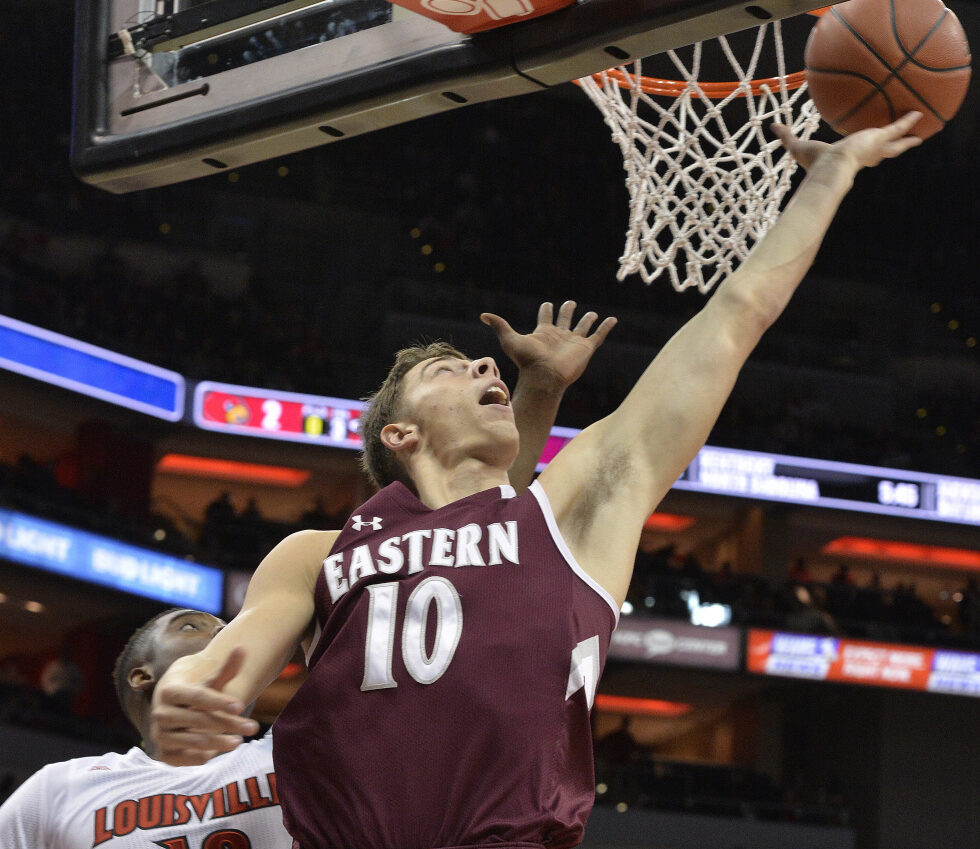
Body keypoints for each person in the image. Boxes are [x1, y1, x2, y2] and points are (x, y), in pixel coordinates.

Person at [150, 114, 924, 849]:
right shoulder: (316, 552)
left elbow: (736, 316)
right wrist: (186, 689)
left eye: (480, 361)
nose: (486, 362)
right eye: (449, 369)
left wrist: (832, 174)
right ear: (400, 433)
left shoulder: (569, 512)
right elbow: (227, 665)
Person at [0, 608, 293, 848]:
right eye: (191, 627)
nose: (225, 633)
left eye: (230, 628)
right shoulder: (58, 788)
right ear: (142, 676)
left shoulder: (295, 754)